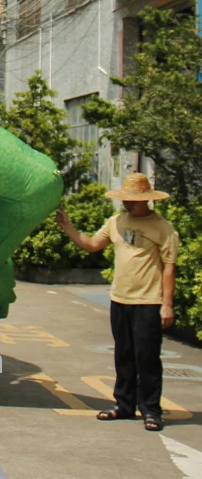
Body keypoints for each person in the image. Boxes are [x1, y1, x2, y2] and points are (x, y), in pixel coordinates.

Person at [56, 172, 178, 431]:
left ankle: (151, 411)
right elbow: (91, 245)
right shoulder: (116, 222)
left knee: (146, 357)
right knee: (123, 355)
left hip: (148, 301)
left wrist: (167, 304)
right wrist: (67, 226)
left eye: (133, 199)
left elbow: (169, 267)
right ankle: (123, 404)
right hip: (119, 299)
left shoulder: (162, 228)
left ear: (146, 200)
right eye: (125, 199)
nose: (127, 203)